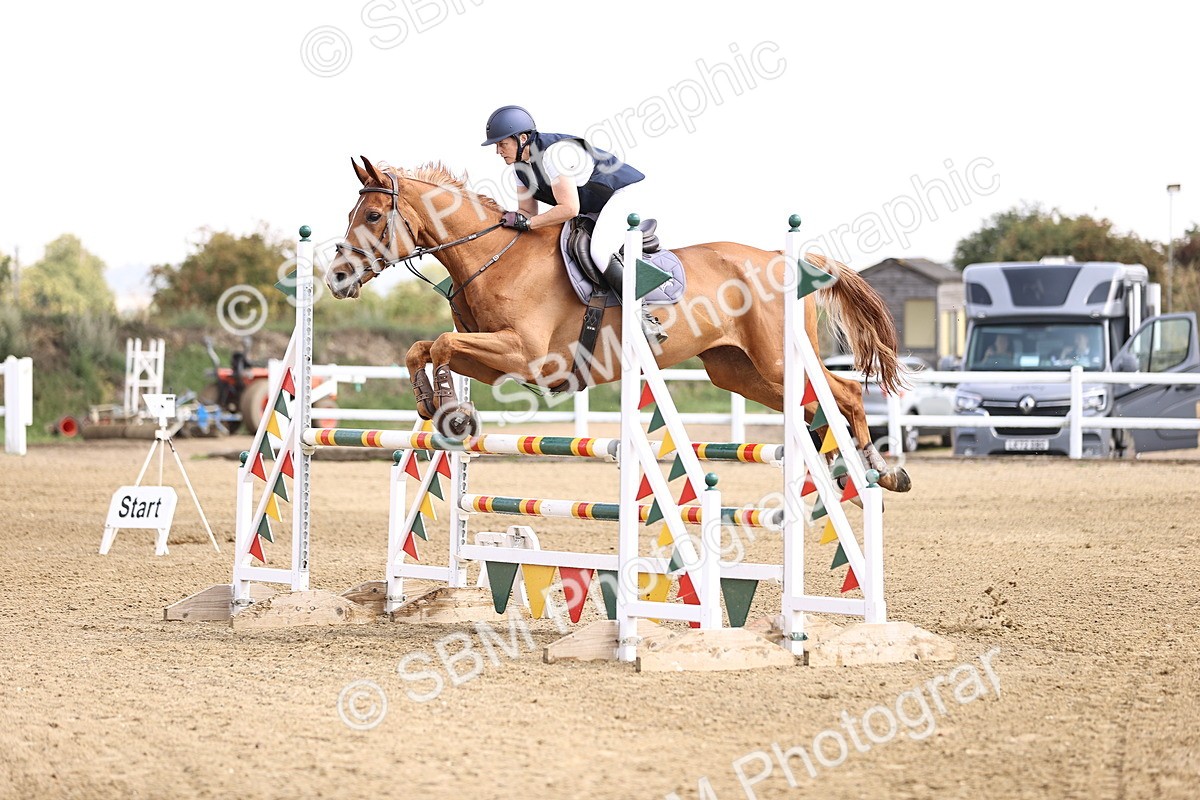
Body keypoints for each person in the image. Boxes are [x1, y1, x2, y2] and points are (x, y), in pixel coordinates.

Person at [481, 105, 667, 342]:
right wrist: (505, 221)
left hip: (625, 193)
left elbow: (569, 209)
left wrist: (527, 224)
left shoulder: (555, 154)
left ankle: (644, 318)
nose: (498, 151)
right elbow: (527, 211)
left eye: (502, 144)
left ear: (523, 139)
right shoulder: (519, 170)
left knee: (599, 251)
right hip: (596, 204)